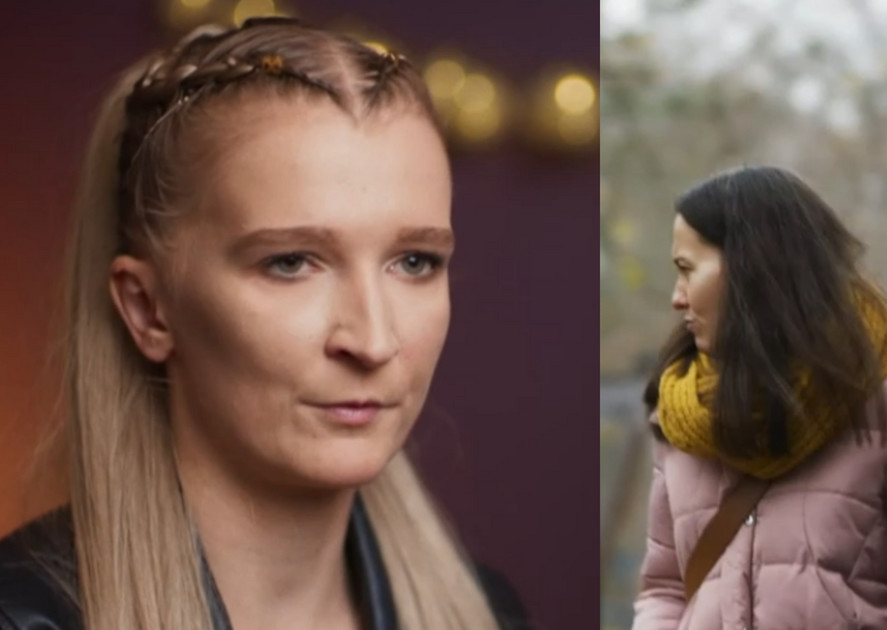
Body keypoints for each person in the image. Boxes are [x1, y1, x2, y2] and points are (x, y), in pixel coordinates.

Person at [0, 17, 529, 630]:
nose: (374, 341)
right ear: (147, 308)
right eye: (290, 262)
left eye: (414, 262)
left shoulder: (489, 614)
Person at [631, 166, 887, 630]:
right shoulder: (678, 415)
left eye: (688, 270)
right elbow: (665, 589)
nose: (677, 297)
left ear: (754, 270)